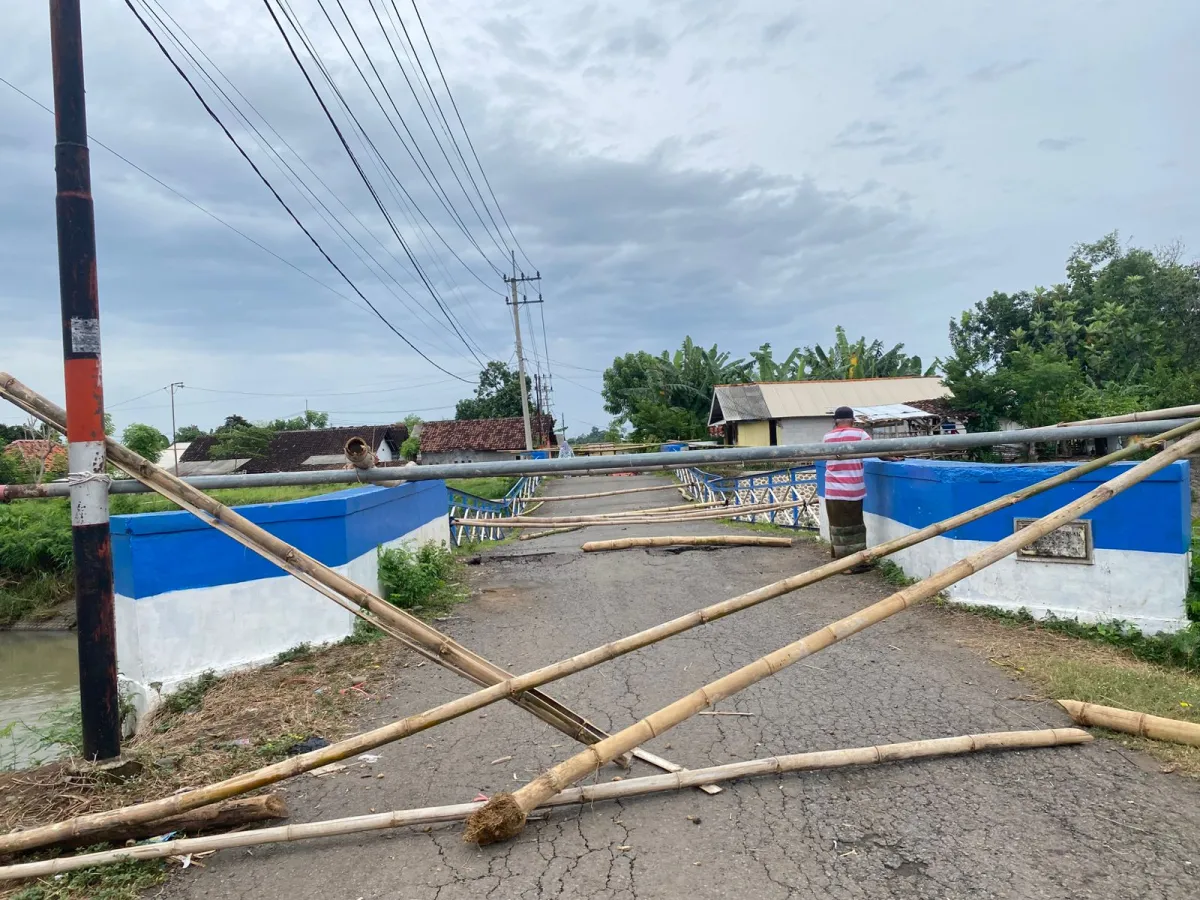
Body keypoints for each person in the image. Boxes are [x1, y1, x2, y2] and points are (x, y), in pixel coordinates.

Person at [822, 406, 872, 572]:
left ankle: (840, 562)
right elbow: (877, 449)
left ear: (835, 421)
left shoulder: (827, 436)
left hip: (832, 488)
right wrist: (893, 457)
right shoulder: (859, 434)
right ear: (852, 419)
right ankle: (852, 565)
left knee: (837, 526)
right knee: (854, 527)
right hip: (852, 488)